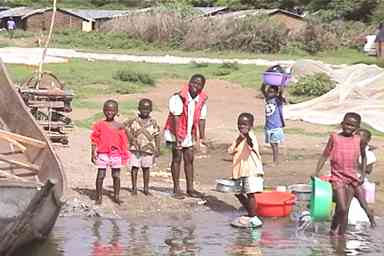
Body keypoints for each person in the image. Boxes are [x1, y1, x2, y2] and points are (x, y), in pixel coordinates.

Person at [314, 112, 375, 236]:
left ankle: (341, 235)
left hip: (352, 178)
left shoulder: (359, 140)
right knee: (341, 207)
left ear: (357, 128)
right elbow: (325, 155)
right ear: (342, 123)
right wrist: (316, 172)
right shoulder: (334, 138)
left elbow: (363, 157)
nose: (349, 127)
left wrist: (362, 175)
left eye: (352, 126)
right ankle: (333, 228)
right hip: (338, 177)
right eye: (347, 124)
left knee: (346, 209)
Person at [164, 74, 208, 199]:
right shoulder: (178, 98)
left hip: (188, 132)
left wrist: (202, 137)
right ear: (189, 83)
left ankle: (190, 188)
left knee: (189, 159)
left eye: (199, 84)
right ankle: (176, 188)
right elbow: (176, 118)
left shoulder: (201, 100)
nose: (195, 86)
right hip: (175, 131)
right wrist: (178, 139)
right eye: (193, 82)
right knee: (177, 158)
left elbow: (201, 119)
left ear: (202, 87)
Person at [90, 99, 129, 205]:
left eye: (112, 110)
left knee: (116, 176)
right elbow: (94, 139)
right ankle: (98, 197)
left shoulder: (120, 126)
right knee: (100, 176)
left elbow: (124, 141)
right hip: (102, 154)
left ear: (116, 111)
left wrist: (124, 154)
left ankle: (116, 196)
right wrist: (92, 153)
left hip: (116, 154)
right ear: (103, 111)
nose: (109, 112)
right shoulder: (99, 125)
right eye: (107, 110)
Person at [228, 113, 263, 218]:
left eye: (245, 124)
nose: (241, 126)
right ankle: (252, 212)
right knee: (237, 192)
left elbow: (251, 143)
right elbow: (230, 151)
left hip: (251, 170)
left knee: (250, 193)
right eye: (240, 124)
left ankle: (252, 216)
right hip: (239, 170)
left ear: (251, 126)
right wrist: (239, 139)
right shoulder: (239, 138)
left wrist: (246, 135)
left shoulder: (251, 136)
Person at [124, 98, 160, 196]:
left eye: (147, 109)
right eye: (143, 109)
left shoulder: (153, 122)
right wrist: (131, 138)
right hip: (135, 149)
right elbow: (124, 127)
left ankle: (146, 188)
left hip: (148, 150)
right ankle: (134, 187)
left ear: (151, 110)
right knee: (135, 168)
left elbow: (157, 135)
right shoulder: (134, 120)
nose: (145, 111)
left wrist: (157, 148)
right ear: (139, 109)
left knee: (146, 169)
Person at [260, 83, 286, 165]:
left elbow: (281, 92)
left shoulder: (278, 100)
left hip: (276, 126)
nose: (269, 93)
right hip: (268, 126)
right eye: (269, 91)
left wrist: (282, 84)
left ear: (276, 93)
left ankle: (275, 161)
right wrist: (265, 82)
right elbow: (262, 89)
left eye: (272, 92)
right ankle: (275, 160)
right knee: (272, 144)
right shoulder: (268, 99)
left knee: (275, 145)